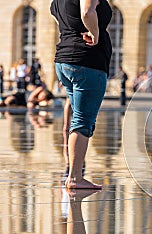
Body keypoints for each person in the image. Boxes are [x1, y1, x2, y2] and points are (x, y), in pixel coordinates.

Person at [51, 0, 112, 189]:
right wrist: (95, 34)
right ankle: (75, 177)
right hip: (87, 61)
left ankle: (74, 173)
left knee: (78, 118)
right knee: (82, 122)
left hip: (64, 60)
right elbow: (87, 12)